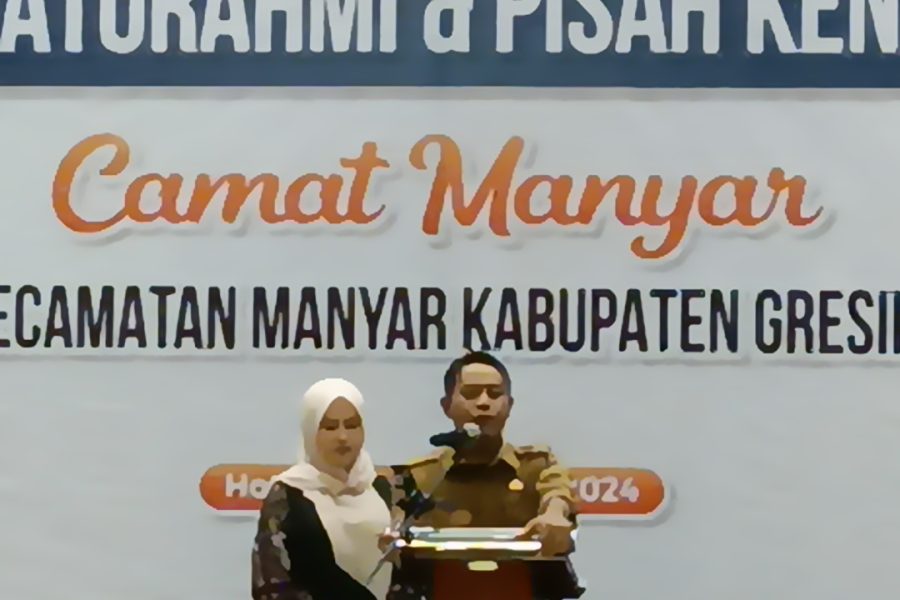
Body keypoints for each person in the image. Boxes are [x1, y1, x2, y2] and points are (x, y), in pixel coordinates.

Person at [382, 351, 581, 599]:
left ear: (509, 405)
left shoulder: (536, 465)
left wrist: (554, 514)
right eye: (471, 394)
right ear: (446, 406)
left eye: (495, 394)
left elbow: (557, 492)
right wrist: (389, 533)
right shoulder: (423, 476)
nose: (484, 402)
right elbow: (395, 521)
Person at [251, 378, 393, 600]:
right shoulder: (288, 495)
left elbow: (409, 575)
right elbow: (270, 586)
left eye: (352, 425)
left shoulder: (382, 489)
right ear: (310, 431)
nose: (343, 436)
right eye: (330, 427)